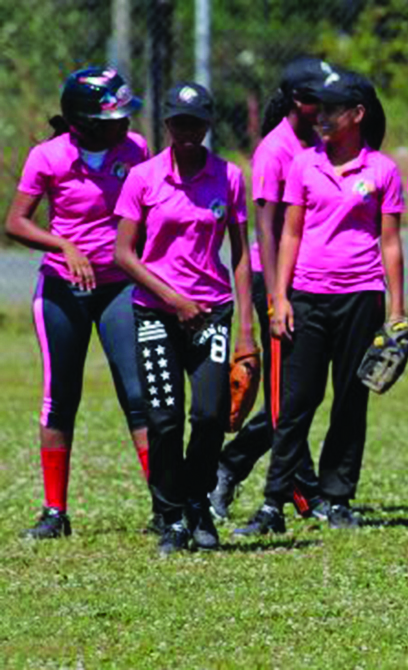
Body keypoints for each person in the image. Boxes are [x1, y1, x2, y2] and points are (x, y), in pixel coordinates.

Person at [235, 67, 406, 534]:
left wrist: (395, 308)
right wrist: (280, 297)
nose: (322, 117)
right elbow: (289, 232)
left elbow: (390, 242)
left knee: (351, 401)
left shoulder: (383, 170)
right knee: (295, 403)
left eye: (332, 110)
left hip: (361, 295)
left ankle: (337, 497)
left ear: (357, 114)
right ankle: (273, 503)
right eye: (319, 109)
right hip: (307, 296)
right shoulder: (303, 164)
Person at [6, 67, 151, 539]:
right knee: (60, 398)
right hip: (64, 289)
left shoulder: (137, 150)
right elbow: (17, 223)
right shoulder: (48, 157)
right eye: (115, 117)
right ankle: (54, 513)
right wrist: (63, 247)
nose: (125, 124)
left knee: (139, 394)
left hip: (119, 286)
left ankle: (164, 506)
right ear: (84, 121)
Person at [114, 82, 256, 555]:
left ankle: (197, 503)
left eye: (196, 123)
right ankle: (170, 516)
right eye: (179, 123)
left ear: (209, 124)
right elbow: (124, 254)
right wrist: (173, 300)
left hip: (212, 311)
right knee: (165, 420)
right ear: (167, 125)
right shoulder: (144, 177)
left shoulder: (229, 176)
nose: (188, 131)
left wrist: (245, 329)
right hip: (156, 311)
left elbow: (240, 255)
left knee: (212, 413)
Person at [208, 57, 334, 524]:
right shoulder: (275, 150)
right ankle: (293, 491)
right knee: (290, 397)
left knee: (301, 394)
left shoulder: (317, 144)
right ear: (298, 101)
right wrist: (278, 295)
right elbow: (264, 228)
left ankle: (243, 468)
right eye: (318, 98)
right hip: (275, 280)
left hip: (306, 280)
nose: (326, 106)